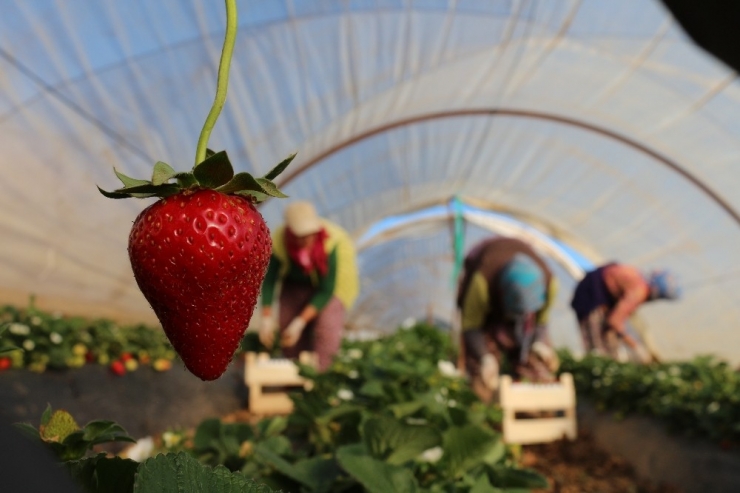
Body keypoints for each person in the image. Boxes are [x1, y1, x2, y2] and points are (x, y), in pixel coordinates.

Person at [456, 236, 560, 403]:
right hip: (487, 319)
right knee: (483, 372)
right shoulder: (482, 281)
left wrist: (539, 342)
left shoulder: (550, 282)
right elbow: (471, 326)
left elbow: (541, 321)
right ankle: (484, 413)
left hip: (528, 325)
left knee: (538, 365)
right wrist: (485, 357)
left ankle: (533, 409)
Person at [259, 201, 359, 371]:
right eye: (298, 235)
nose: (304, 240)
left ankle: (321, 378)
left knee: (326, 329)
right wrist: (266, 317)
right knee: (287, 328)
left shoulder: (333, 242)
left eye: (308, 235)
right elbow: (270, 280)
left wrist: (300, 322)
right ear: (290, 231)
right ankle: (294, 375)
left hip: (331, 288)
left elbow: (326, 290)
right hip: (295, 283)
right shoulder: (280, 240)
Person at [570, 263, 681, 364]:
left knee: (610, 341)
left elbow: (621, 316)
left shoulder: (638, 282)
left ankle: (608, 367)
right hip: (591, 296)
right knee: (598, 349)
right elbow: (614, 321)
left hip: (597, 291)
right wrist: (635, 346)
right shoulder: (640, 291)